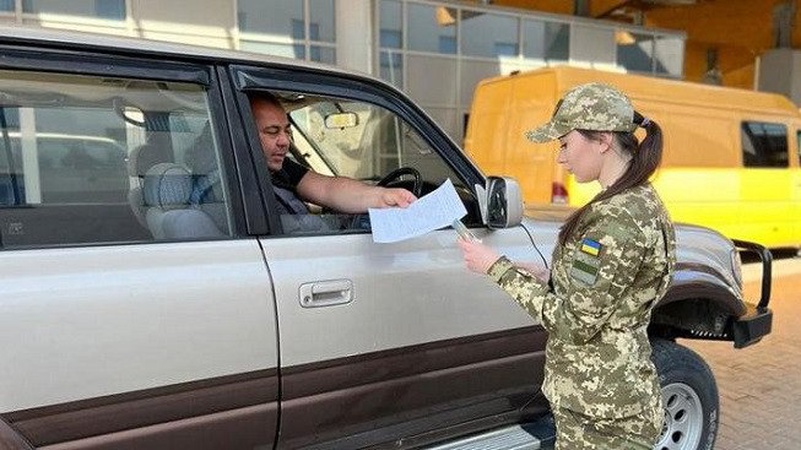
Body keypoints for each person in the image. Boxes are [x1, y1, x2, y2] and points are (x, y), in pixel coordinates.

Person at [458, 83, 675, 449]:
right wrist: (548, 275)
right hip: (603, 403)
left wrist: (496, 267)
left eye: (565, 143)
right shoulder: (634, 201)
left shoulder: (616, 219)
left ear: (603, 139)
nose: (561, 157)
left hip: (603, 415)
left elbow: (574, 324)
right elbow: (614, 292)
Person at [249, 93, 416, 226]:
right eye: (272, 131)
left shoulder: (275, 166)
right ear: (243, 132)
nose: (285, 141)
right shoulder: (236, 184)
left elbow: (327, 188)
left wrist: (381, 197)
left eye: (287, 131)